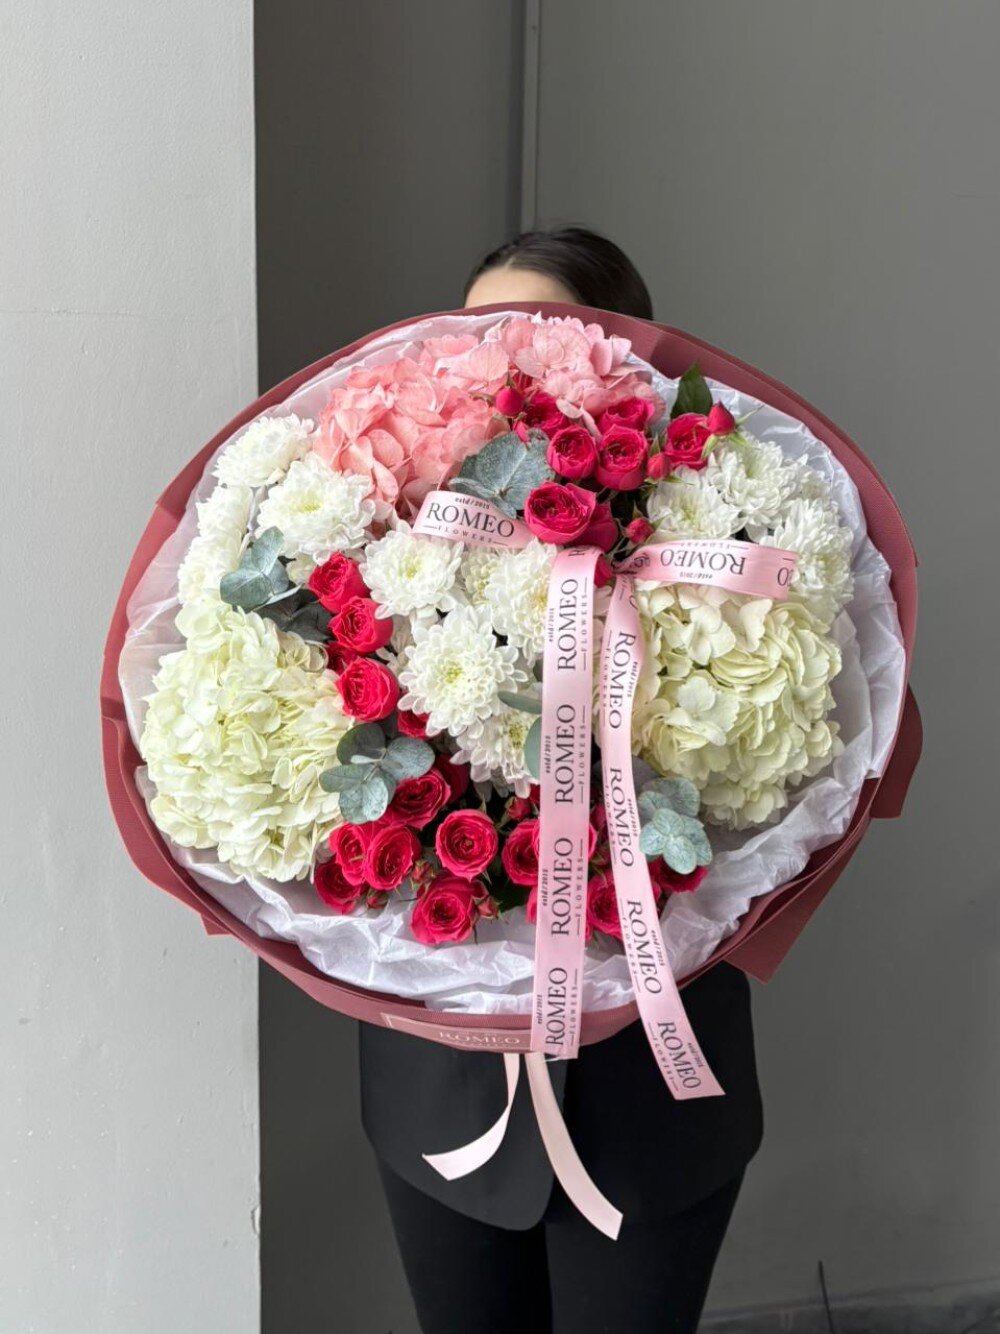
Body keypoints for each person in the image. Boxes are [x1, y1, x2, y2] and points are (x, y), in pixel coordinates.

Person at [359, 227, 763, 1334]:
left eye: (543, 337)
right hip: (438, 1091)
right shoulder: (385, 546)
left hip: (651, 1101)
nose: (508, 367)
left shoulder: (715, 532)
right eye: (480, 338)